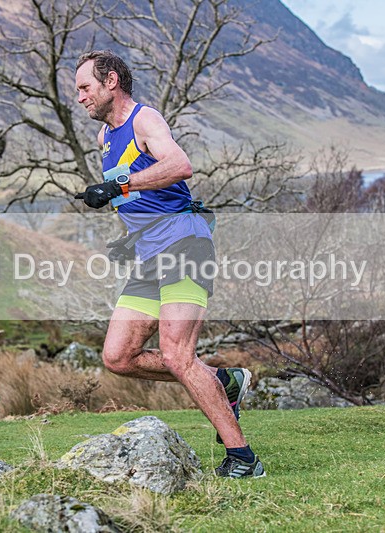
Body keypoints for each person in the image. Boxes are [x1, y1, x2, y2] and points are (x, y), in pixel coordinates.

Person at [74, 50, 264, 478]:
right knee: (118, 356)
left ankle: (243, 459)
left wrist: (117, 183)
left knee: (179, 355)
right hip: (148, 253)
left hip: (183, 244)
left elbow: (180, 166)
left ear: (111, 83)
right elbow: (140, 195)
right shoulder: (105, 138)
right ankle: (224, 381)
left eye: (85, 88)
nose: (80, 97)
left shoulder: (145, 120)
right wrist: (127, 233)